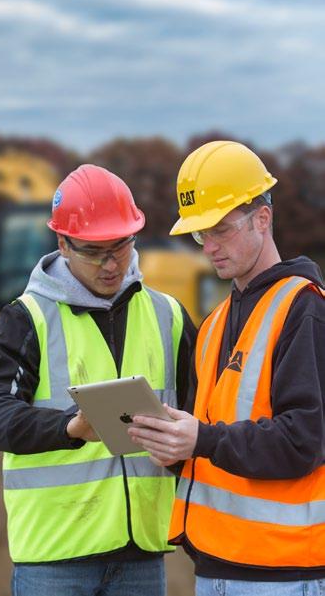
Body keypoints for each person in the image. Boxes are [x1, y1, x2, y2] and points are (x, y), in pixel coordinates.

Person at [0, 164, 196, 596]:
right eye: (94, 251)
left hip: (141, 552)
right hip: (55, 555)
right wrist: (69, 428)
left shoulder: (168, 315)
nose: (110, 264)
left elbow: (201, 413)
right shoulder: (27, 319)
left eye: (121, 247)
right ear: (63, 244)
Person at [128, 141, 325, 595]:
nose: (209, 247)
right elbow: (213, 437)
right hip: (217, 565)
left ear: (262, 218)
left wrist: (203, 439)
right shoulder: (215, 323)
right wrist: (177, 449)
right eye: (200, 235)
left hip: (283, 572)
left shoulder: (303, 310)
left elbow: (303, 440)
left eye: (219, 230)